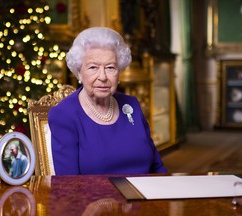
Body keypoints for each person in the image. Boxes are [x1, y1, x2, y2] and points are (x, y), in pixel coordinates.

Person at [48, 27, 167, 175]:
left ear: (119, 72)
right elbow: (68, 185)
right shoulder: (64, 115)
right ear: (79, 72)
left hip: (145, 195)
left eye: (110, 67)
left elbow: (157, 167)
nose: (103, 76)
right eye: (93, 67)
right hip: (96, 198)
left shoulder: (131, 105)